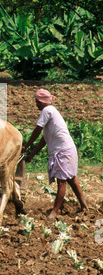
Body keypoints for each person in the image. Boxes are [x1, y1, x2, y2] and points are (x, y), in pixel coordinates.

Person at [22, 88, 88, 219]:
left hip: (63, 151)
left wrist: (26, 145)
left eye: (38, 102)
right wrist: (31, 154)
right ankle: (84, 206)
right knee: (72, 180)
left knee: (62, 182)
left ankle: (54, 212)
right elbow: (44, 139)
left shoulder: (47, 110)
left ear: (44, 101)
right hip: (67, 149)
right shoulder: (51, 112)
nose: (37, 104)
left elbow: (37, 130)